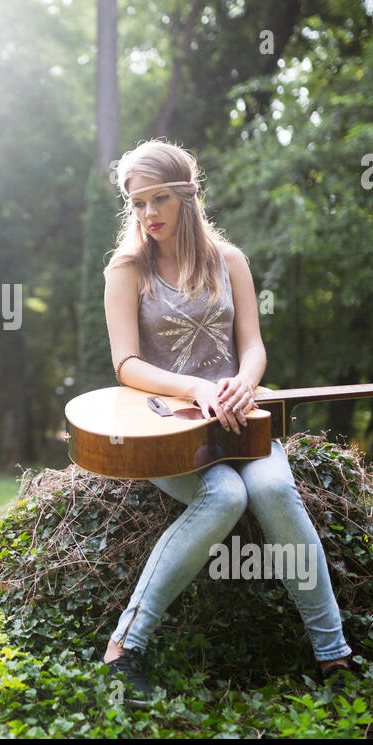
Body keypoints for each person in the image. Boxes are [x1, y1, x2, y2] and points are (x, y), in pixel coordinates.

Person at [97, 138, 354, 705]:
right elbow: (125, 364)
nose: (147, 214)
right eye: (136, 203)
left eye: (158, 198)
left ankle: (333, 654)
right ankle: (123, 649)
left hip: (242, 420)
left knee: (274, 487)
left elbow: (254, 348)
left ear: (188, 196)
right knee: (223, 498)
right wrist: (196, 387)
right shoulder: (126, 269)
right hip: (167, 430)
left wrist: (243, 381)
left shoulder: (229, 261)